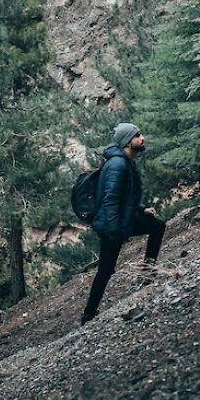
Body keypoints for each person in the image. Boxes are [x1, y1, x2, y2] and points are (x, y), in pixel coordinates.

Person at [81, 122, 166, 325]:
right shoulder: (118, 165)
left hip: (123, 219)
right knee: (106, 269)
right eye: (138, 135)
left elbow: (126, 196)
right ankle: (88, 316)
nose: (142, 138)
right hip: (112, 225)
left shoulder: (125, 161)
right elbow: (110, 200)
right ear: (128, 141)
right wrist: (114, 231)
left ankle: (148, 274)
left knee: (157, 225)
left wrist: (140, 209)